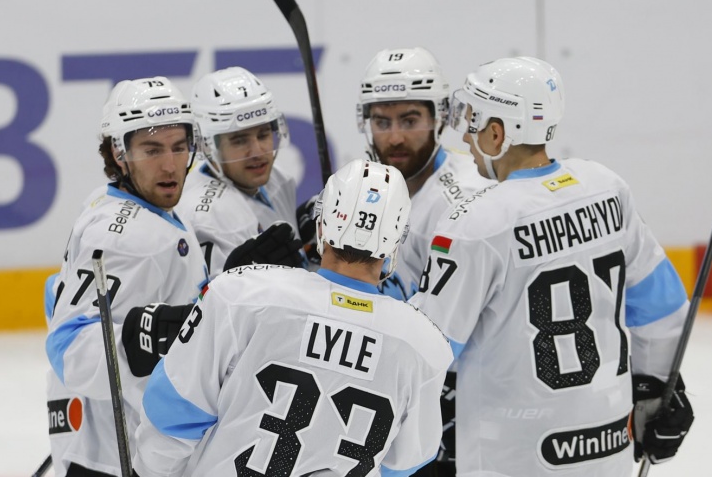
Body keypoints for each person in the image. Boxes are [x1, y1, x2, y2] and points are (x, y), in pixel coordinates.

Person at [411, 56, 694, 476]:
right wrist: (656, 389)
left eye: (472, 123)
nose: (466, 137)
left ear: (497, 133)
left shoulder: (476, 224)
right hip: (608, 449)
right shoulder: (606, 188)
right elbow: (663, 306)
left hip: (512, 459)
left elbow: (425, 350)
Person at [132, 159, 454, 477]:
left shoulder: (240, 294)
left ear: (322, 223)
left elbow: (173, 412)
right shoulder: (425, 344)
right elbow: (403, 464)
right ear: (396, 241)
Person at [45, 77, 209, 477]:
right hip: (115, 457)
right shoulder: (124, 237)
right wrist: (135, 339)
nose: (170, 165)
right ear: (119, 153)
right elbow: (67, 348)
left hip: (129, 446)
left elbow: (55, 293)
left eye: (178, 147)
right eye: (152, 150)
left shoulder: (126, 203)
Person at [355, 46, 494, 299]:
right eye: (382, 122)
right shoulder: (370, 193)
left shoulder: (460, 204)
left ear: (439, 118)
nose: (395, 138)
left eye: (409, 121)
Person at [177, 66, 303, 277]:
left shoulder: (278, 178)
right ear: (208, 146)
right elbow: (208, 296)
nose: (258, 152)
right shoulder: (204, 216)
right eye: (240, 140)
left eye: (263, 135)